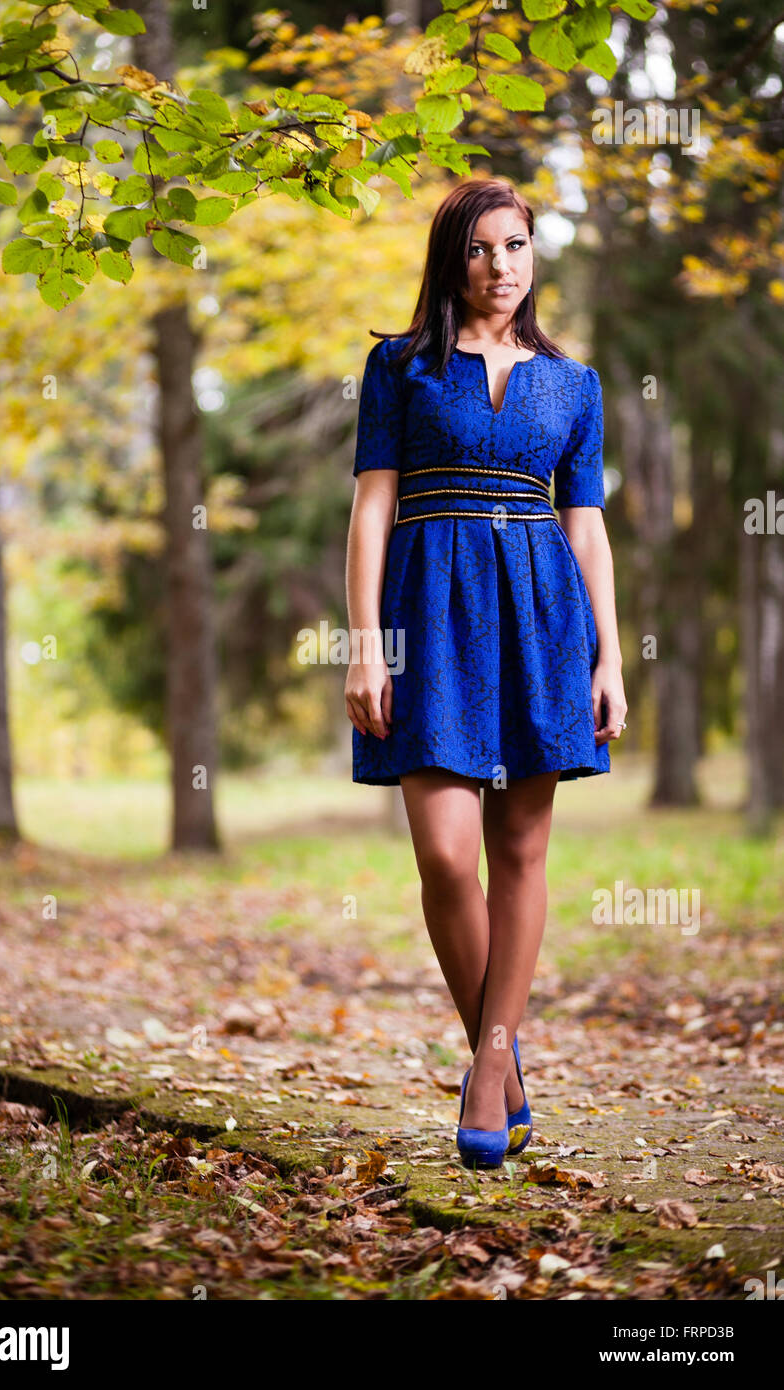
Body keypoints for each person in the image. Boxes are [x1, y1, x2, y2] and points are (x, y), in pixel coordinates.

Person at [343, 178, 628, 1168]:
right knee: (442, 855)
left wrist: (610, 653)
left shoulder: (574, 385)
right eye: (476, 249)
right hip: (426, 617)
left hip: (542, 621)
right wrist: (364, 641)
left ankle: (487, 1065)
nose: (498, 266)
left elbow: (584, 529)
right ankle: (497, 1067)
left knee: (519, 855)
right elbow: (371, 510)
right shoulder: (398, 369)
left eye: (513, 246)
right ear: (449, 262)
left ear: (532, 257)